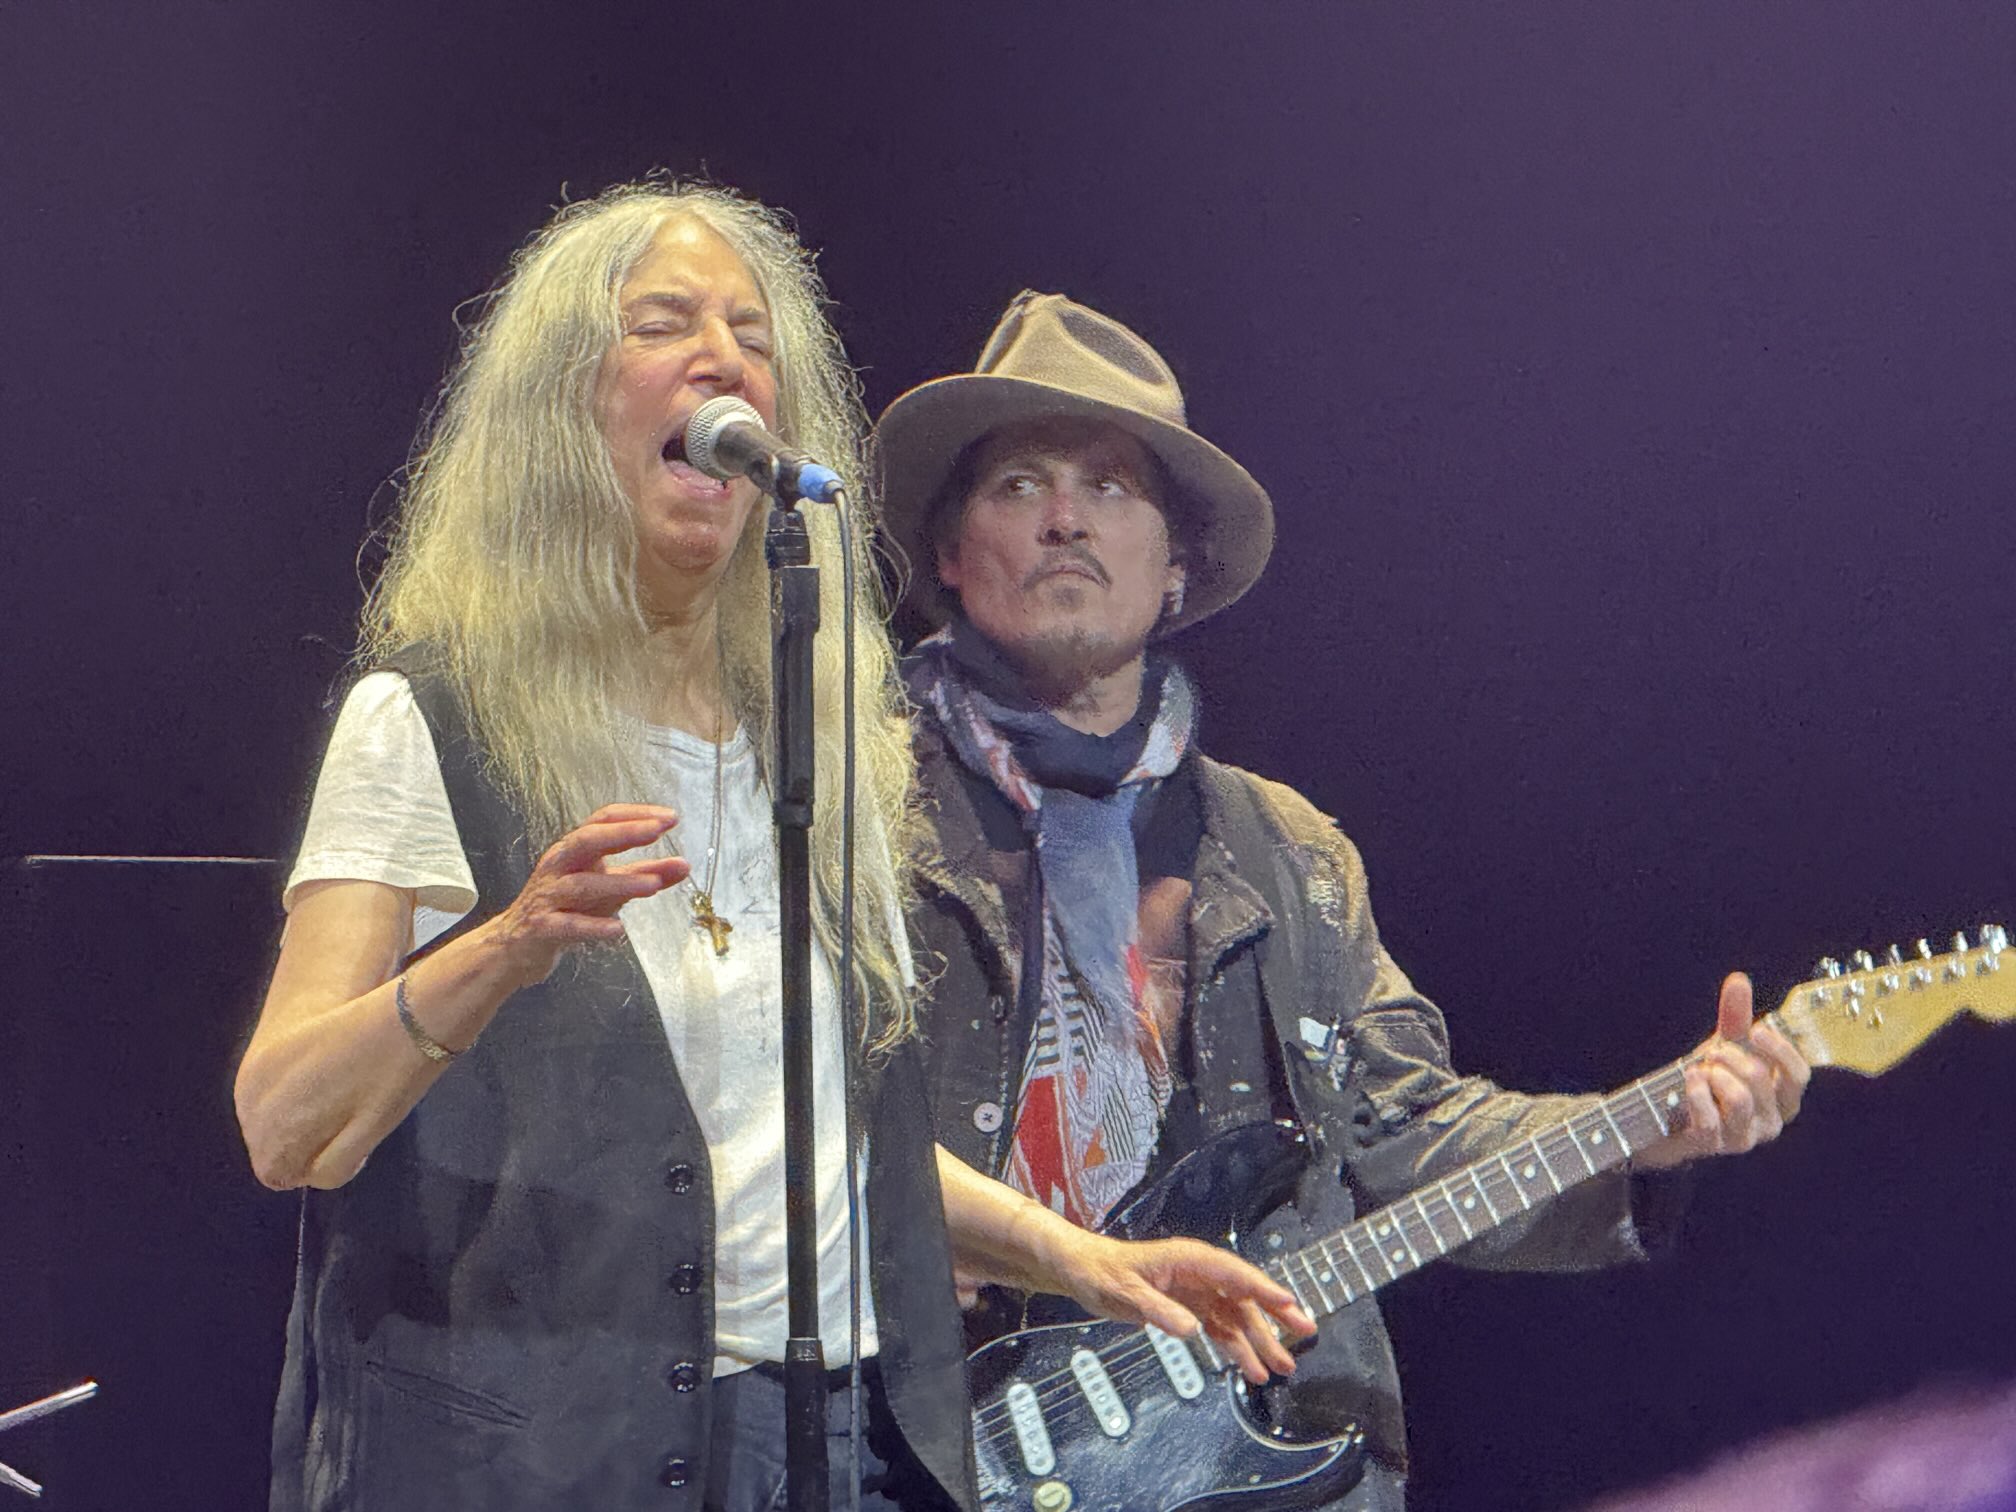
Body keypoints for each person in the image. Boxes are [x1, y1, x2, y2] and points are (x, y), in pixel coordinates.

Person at [233, 189, 1309, 1512]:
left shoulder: (809, 737)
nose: (720, 355)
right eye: (662, 322)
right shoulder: (434, 717)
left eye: (753, 332)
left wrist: (1090, 1265)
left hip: (833, 1442)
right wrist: (504, 950)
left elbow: (821, 1144)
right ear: (559, 408)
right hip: (554, 1455)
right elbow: (289, 1126)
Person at [874, 291, 1814, 1511]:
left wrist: (1650, 1128)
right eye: (1018, 486)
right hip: (930, 1449)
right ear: (949, 555)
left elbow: (1406, 1131)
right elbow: (771, 1126)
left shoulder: (1287, 851)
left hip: (1248, 1461)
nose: (1064, 520)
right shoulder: (853, 817)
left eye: (1111, 487)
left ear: (1175, 568)